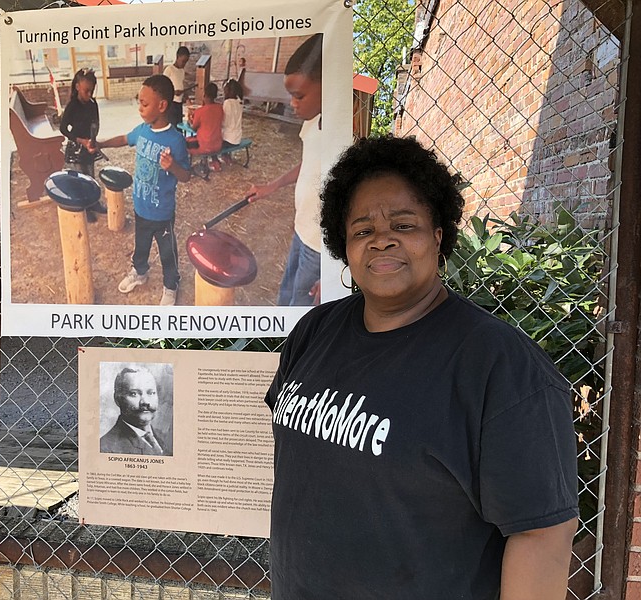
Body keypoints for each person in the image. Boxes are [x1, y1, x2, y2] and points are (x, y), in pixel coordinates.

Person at [265, 135, 579, 599]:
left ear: (438, 236)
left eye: (404, 224)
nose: (381, 239)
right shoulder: (315, 332)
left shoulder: (501, 368)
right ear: (344, 245)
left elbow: (541, 535)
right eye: (362, 229)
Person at [96, 75, 190, 306]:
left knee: (167, 251)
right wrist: (100, 144)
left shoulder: (176, 140)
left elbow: (186, 176)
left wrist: (173, 166)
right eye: (139, 102)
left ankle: (171, 284)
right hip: (141, 206)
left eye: (144, 104)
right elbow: (124, 139)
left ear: (162, 106)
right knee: (141, 245)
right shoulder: (143, 130)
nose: (139, 108)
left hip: (162, 212)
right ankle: (140, 271)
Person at [248, 33, 322, 306]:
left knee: (301, 307)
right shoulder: (313, 122)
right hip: (302, 230)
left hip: (320, 245)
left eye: (299, 95)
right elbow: (309, 164)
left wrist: (334, 270)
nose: (292, 103)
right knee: (287, 295)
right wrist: (272, 186)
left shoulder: (337, 133)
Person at [59, 67, 107, 223]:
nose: (89, 95)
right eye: (86, 91)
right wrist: (81, 140)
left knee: (90, 177)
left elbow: (96, 123)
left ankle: (93, 203)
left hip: (89, 146)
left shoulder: (93, 104)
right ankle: (83, 206)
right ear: (77, 86)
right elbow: (63, 128)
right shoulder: (72, 105)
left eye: (91, 91)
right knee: (80, 179)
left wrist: (93, 140)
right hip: (76, 148)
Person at [100, 366, 171, 456]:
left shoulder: (166, 438)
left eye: (151, 393)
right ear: (117, 399)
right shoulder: (105, 448)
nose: (145, 402)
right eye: (134, 394)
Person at [186, 82, 224, 172]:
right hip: (218, 144)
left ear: (205, 95)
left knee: (184, 141)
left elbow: (194, 128)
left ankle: (188, 166)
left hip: (204, 146)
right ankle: (213, 161)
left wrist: (189, 121)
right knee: (208, 137)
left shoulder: (200, 111)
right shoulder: (220, 108)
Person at [163, 46, 190, 127]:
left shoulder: (182, 71)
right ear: (177, 57)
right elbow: (163, 87)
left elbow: (181, 85)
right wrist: (174, 92)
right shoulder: (169, 69)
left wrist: (186, 96)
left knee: (179, 125)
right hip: (171, 104)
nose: (184, 64)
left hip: (179, 103)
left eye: (186, 62)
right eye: (183, 61)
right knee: (172, 126)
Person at [220, 79, 244, 163]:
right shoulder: (239, 102)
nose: (224, 93)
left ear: (228, 91)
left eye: (225, 90)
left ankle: (215, 160)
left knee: (212, 139)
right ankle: (226, 155)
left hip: (228, 139)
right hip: (237, 138)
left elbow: (225, 122)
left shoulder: (227, 103)